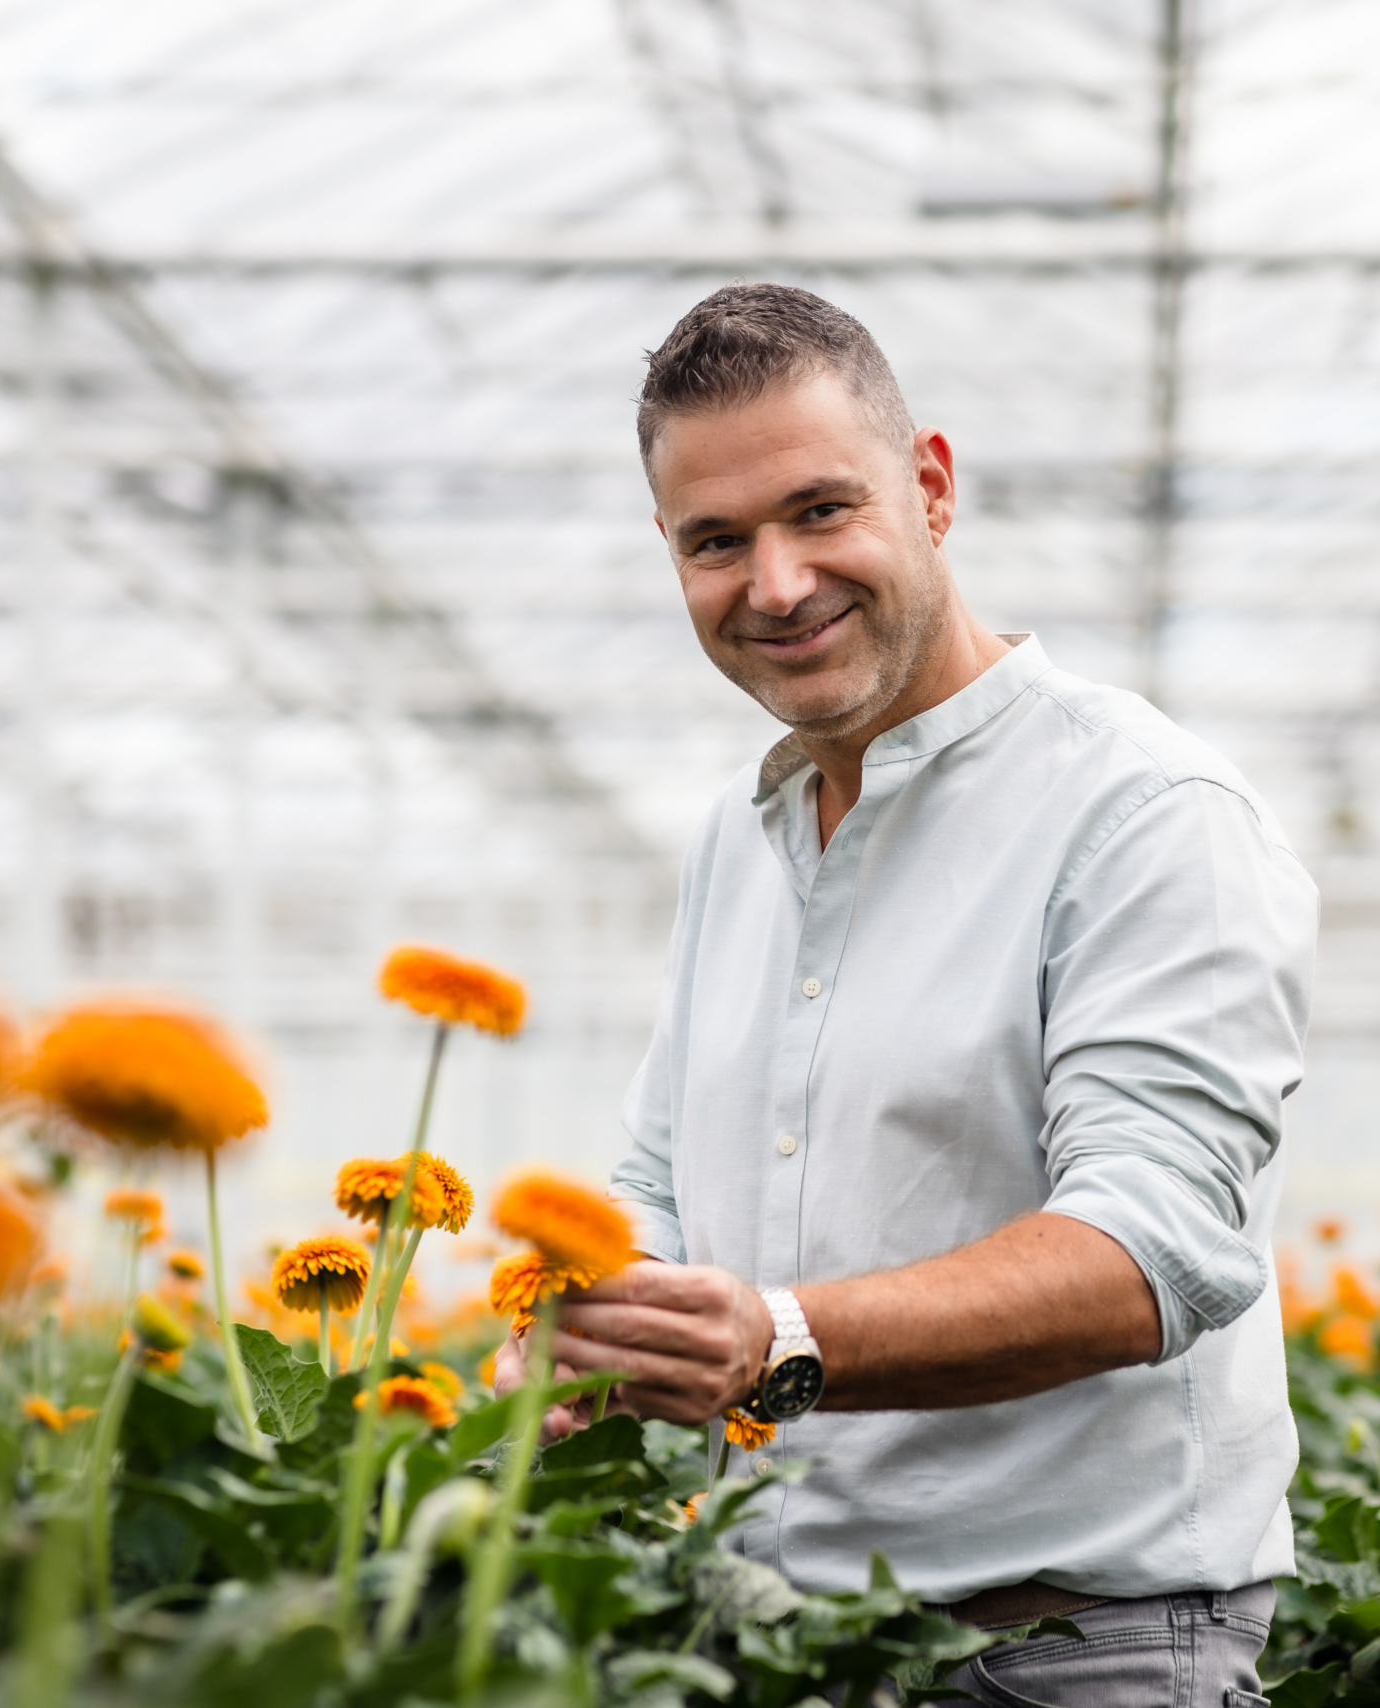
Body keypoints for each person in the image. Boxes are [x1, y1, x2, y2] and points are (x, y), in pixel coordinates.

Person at [499, 282, 1315, 1707]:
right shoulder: (736, 843)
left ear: (930, 487)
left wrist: (781, 1341)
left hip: (1076, 1656)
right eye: (716, 542)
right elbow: (663, 1174)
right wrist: (593, 1316)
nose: (775, 584)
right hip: (767, 1640)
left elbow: (1153, 1249)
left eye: (822, 511)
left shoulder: (1140, 812)